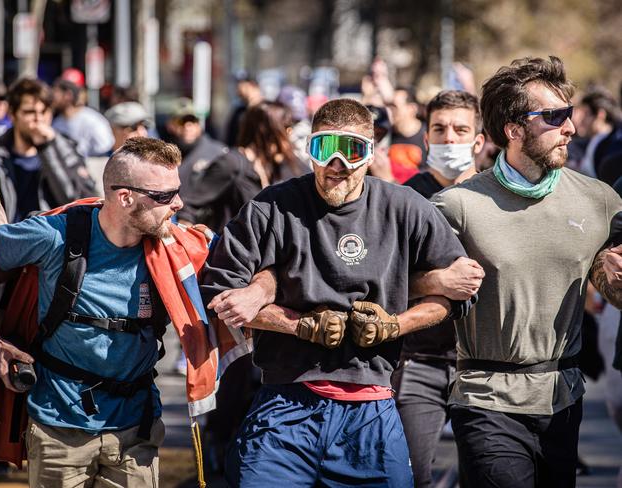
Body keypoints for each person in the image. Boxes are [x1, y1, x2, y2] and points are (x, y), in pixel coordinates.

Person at [200, 98, 477, 487]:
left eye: (352, 150)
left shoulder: (405, 207)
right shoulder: (272, 207)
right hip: (285, 405)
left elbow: (459, 293)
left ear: (371, 153)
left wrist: (394, 325)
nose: (338, 165)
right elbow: (217, 288)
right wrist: (297, 325)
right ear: (308, 149)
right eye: (324, 149)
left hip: (372, 409)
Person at [0, 137, 271, 486]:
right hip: (59, 429)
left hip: (136, 430)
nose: (178, 204)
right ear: (124, 197)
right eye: (163, 196)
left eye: (176, 191)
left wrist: (260, 289)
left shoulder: (179, 247)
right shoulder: (55, 234)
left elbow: (263, 263)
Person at [431, 56, 622, 488]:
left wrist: (616, 280)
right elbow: (399, 277)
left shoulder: (599, 201)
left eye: (569, 114)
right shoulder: (457, 205)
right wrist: (436, 282)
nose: (570, 127)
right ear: (513, 130)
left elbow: (610, 287)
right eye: (553, 117)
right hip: (485, 397)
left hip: (562, 399)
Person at [393, 90, 485, 488]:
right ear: (426, 137)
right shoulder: (401, 199)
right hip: (418, 360)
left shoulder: (500, 198)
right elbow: (381, 277)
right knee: (409, 475)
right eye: (440, 129)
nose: (450, 138)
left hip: (486, 365)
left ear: (479, 141)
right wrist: (436, 282)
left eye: (461, 129)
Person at [178, 101, 307, 233]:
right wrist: (187, 243)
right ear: (267, 132)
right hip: (231, 251)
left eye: (290, 129)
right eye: (285, 129)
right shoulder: (232, 163)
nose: (289, 136)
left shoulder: (281, 166)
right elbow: (189, 206)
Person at [0, 78, 95, 223]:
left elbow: (79, 202)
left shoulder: (67, 149)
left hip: (52, 238)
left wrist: (47, 148)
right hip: (8, 238)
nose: (39, 119)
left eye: (44, 111)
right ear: (12, 114)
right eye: (29, 112)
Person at [51, 78, 114, 157]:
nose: (52, 96)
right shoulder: (56, 123)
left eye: (56, 92)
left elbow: (106, 149)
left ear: (68, 95)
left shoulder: (93, 119)